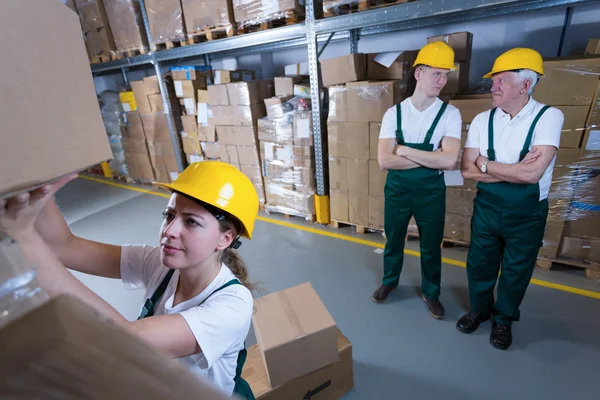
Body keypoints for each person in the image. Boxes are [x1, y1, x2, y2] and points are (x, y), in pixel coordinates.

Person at [0, 161, 259, 398]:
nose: (169, 231)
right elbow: (65, 246)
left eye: (191, 222)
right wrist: (35, 186)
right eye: (169, 216)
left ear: (225, 239)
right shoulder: (159, 263)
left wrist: (23, 234)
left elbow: (125, 341)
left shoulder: (233, 306)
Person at [457, 48, 564, 350]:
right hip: (488, 208)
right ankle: (480, 309)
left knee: (517, 269)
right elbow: (467, 169)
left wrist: (486, 164)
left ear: (525, 85)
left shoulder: (549, 117)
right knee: (480, 263)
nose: (493, 87)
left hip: (527, 212)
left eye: (501, 81)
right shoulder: (482, 120)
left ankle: (503, 319)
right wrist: (514, 169)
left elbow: (532, 176)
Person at [372, 42, 463, 320]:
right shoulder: (394, 114)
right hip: (398, 190)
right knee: (394, 239)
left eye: (446, 75)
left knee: (431, 244)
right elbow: (384, 161)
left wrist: (404, 150)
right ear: (419, 73)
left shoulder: (450, 114)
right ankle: (390, 281)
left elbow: (449, 161)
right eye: (437, 74)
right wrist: (430, 156)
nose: (442, 80)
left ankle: (431, 292)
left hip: (431, 192)